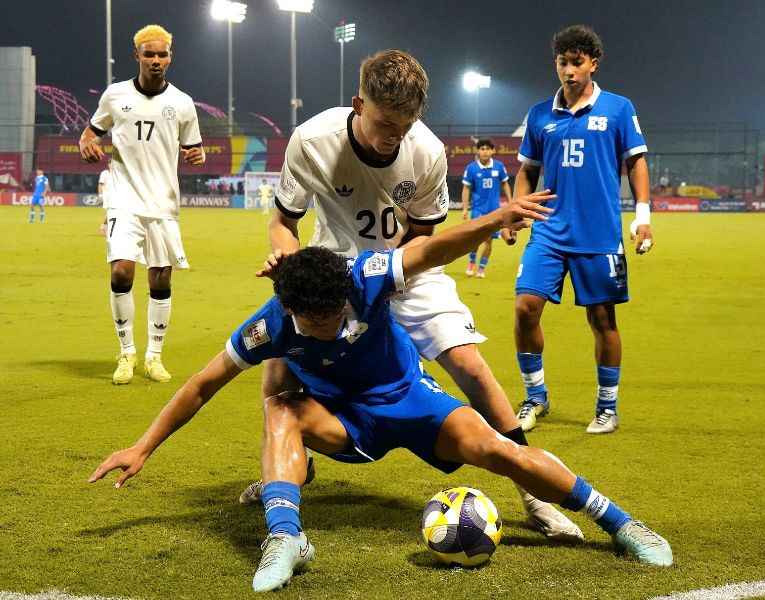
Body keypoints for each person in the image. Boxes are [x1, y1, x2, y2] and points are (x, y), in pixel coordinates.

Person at [88, 197, 673, 593]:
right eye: (312, 320)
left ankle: (621, 524)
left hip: (413, 401)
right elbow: (201, 386)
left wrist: (497, 218)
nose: (326, 323)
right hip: (345, 422)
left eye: (333, 313)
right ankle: (287, 538)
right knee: (280, 406)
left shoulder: (365, 277)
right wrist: (143, 447)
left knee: (502, 452)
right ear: (290, 308)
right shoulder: (272, 323)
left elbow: (434, 251)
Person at [254, 49, 582, 540]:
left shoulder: (426, 150)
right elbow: (284, 222)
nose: (393, 137)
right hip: (332, 272)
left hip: (406, 268)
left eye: (404, 126)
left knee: (470, 365)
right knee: (277, 369)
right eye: (384, 123)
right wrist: (290, 262)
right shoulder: (312, 140)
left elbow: (426, 238)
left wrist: (383, 277)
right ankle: (284, 471)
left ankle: (531, 493)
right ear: (357, 103)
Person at [509, 25, 654, 434]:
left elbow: (637, 162)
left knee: (602, 319)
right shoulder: (539, 115)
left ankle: (607, 406)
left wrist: (642, 216)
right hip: (549, 232)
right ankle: (536, 396)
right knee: (524, 309)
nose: (569, 70)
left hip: (599, 234)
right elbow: (527, 171)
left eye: (577, 62)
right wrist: (517, 210)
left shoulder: (618, 108)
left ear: (593, 63)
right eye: (562, 62)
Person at [78, 24, 205, 385]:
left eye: (161, 54)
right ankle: (126, 353)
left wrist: (197, 155)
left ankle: (154, 355)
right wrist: (85, 144)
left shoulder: (182, 103)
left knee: (160, 279)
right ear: (137, 56)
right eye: (148, 54)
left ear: (170, 56)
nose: (155, 60)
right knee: (121, 270)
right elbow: (91, 132)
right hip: (123, 197)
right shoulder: (115, 96)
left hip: (162, 202)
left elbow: (193, 147)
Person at [461, 138, 512, 278]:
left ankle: (481, 268)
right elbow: (466, 188)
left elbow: (505, 184)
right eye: (482, 149)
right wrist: (465, 208)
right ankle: (472, 262)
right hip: (478, 210)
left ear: (493, 151)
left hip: (495, 210)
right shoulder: (471, 168)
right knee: (475, 239)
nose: (485, 151)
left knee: (489, 240)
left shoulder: (499, 166)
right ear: (478, 151)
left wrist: (510, 201)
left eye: (488, 149)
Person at [98, 162, 111, 235]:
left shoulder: (117, 173)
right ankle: (104, 227)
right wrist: (100, 195)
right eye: (110, 164)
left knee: (110, 212)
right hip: (106, 196)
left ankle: (103, 227)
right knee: (110, 212)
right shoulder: (104, 173)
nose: (111, 165)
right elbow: (100, 184)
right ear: (108, 165)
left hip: (115, 196)